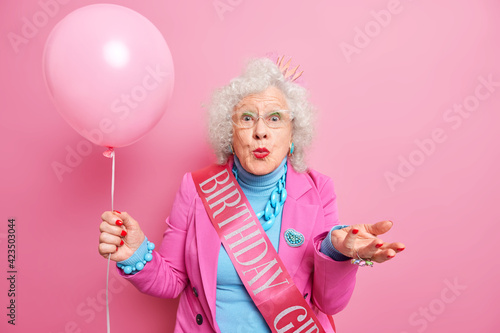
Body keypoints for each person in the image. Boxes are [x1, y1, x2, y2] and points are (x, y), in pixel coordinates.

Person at [98, 56, 405, 333]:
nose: (261, 131)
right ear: (229, 134)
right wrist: (137, 256)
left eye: (275, 118)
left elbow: (330, 303)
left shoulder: (319, 189)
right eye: (247, 118)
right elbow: (172, 281)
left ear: (292, 135)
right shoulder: (195, 187)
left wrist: (338, 253)